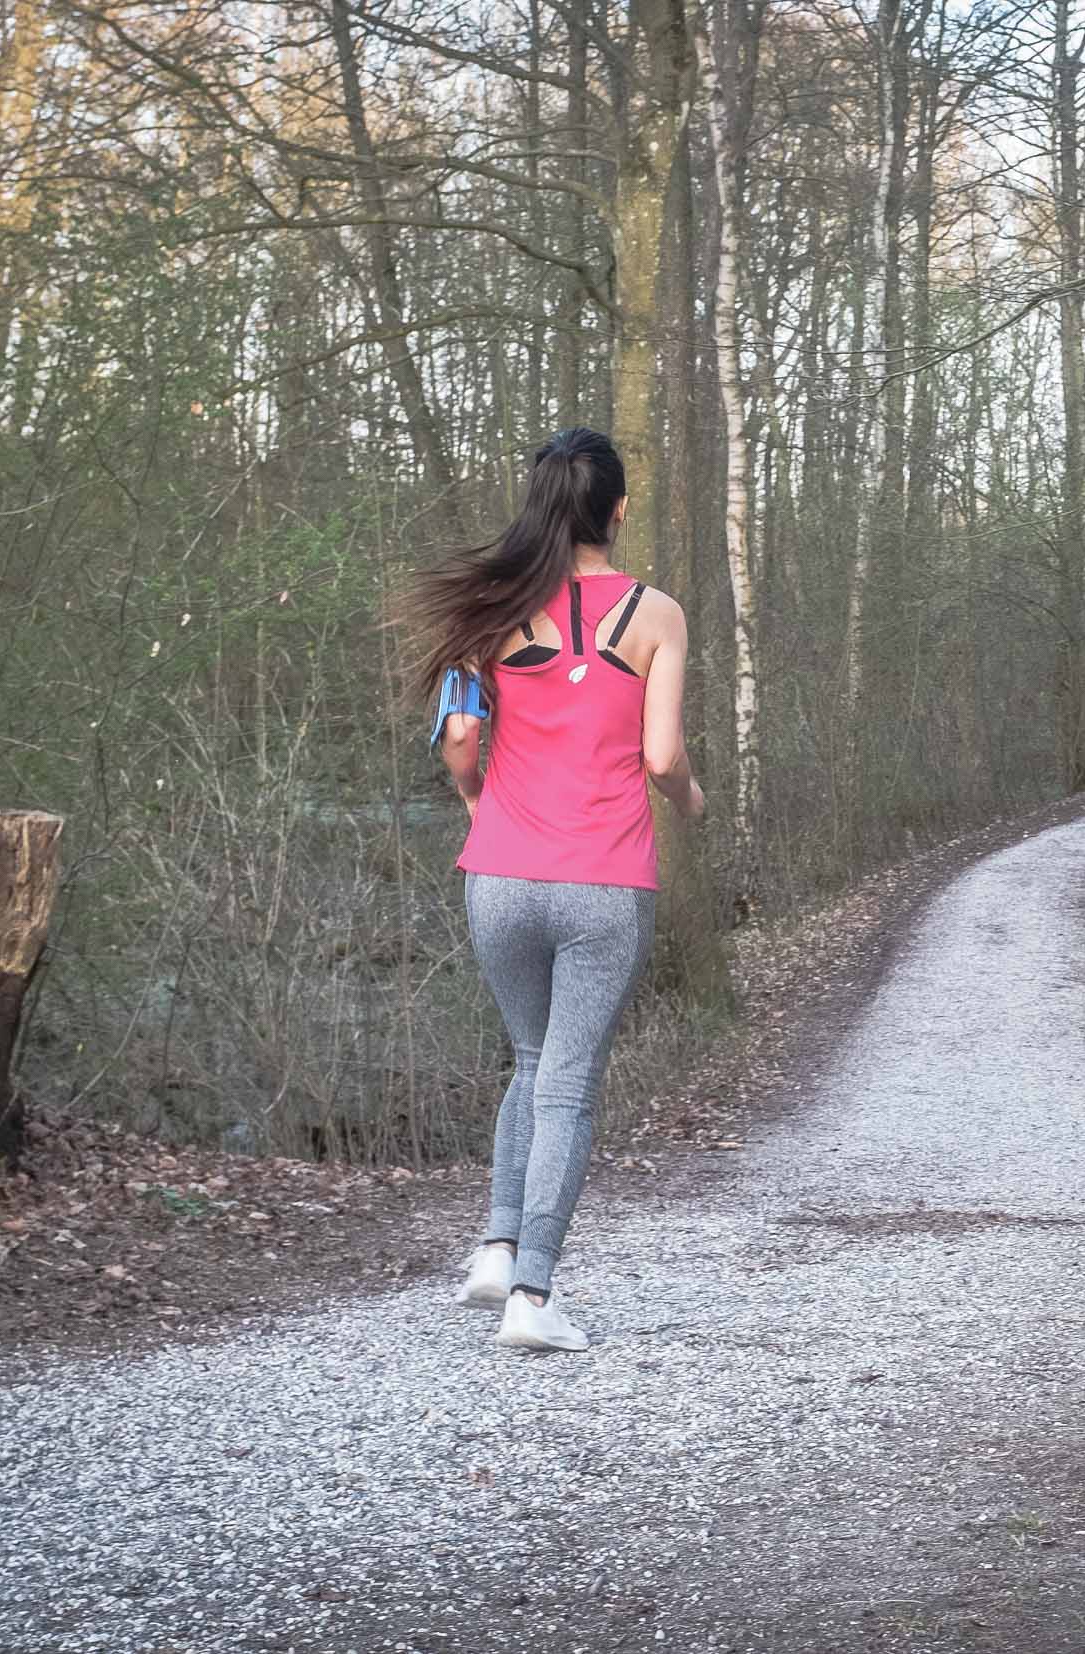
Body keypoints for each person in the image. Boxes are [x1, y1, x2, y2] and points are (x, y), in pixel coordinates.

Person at [409, 428, 704, 1353]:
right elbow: (660, 758)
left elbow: (459, 741)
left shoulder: (490, 607)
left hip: (497, 875)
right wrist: (692, 797)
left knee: (532, 1062)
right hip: (603, 880)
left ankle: (498, 1245)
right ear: (617, 510)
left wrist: (478, 804)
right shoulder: (656, 614)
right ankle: (532, 1298)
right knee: (568, 1086)